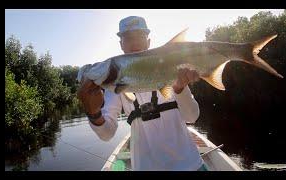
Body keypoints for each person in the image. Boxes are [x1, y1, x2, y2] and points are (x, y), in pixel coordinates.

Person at [77, 16, 207, 171]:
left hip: (191, 165)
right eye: (128, 38)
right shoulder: (116, 86)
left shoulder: (171, 68)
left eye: (140, 36)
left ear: (149, 41)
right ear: (121, 45)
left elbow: (192, 117)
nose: (135, 42)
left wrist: (179, 89)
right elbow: (107, 134)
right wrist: (93, 112)